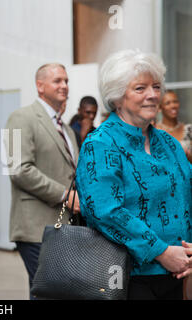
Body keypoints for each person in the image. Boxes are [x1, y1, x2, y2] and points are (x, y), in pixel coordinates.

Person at [76, 49, 192, 300]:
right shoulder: (101, 144)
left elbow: (188, 193)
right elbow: (105, 210)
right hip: (126, 277)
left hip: (176, 273)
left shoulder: (168, 144)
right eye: (140, 88)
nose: (152, 95)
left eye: (156, 86)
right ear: (117, 97)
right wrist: (161, 252)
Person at [4, 63, 80, 299]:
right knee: (47, 295)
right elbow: (19, 169)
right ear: (40, 86)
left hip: (65, 228)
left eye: (66, 81)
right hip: (35, 228)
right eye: (58, 81)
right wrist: (65, 195)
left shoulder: (66, 129)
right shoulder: (21, 117)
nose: (64, 86)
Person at [156, 90, 192, 163]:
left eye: (175, 102)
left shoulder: (189, 129)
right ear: (160, 108)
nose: (173, 106)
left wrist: (188, 156)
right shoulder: (155, 131)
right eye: (167, 103)